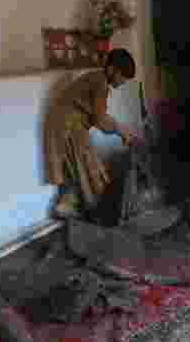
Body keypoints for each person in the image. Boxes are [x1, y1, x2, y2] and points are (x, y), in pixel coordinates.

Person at [43, 48, 140, 221]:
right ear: (111, 69)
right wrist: (121, 130)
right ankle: (99, 216)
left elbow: (99, 117)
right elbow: (100, 119)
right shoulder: (100, 82)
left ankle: (65, 206)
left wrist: (120, 129)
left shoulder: (96, 78)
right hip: (68, 125)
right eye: (123, 76)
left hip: (61, 125)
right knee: (91, 169)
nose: (123, 81)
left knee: (75, 170)